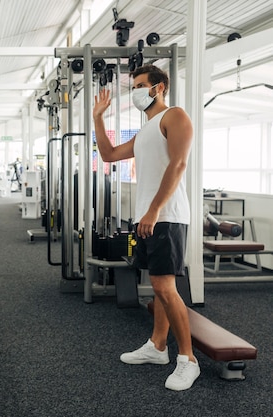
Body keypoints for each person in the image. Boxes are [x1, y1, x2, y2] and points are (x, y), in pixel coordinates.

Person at [92, 64, 199, 391]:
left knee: (166, 287)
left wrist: (153, 210)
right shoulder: (146, 130)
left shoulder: (175, 116)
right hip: (148, 217)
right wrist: (98, 118)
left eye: (140, 85)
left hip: (167, 216)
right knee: (158, 285)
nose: (136, 91)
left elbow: (179, 164)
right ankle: (157, 347)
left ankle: (188, 360)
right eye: (134, 86)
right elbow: (108, 154)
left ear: (159, 87)